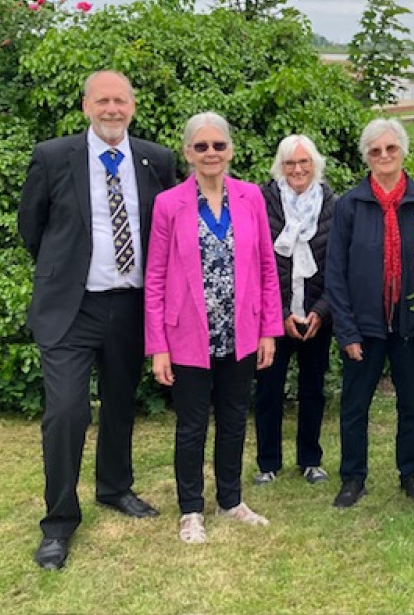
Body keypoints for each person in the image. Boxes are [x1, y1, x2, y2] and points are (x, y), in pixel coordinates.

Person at [18, 70, 177, 571]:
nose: (112, 109)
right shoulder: (52, 157)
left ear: (133, 107)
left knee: (120, 406)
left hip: (129, 307)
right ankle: (59, 523)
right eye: (102, 100)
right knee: (66, 411)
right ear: (86, 105)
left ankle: (114, 488)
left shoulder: (157, 160)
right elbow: (32, 229)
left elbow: (167, 231)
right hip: (72, 307)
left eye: (120, 101)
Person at [144, 112, 283, 543]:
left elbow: (265, 265)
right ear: (188, 152)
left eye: (218, 146)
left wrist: (268, 330)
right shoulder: (169, 204)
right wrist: (158, 347)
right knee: (191, 426)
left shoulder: (251, 198)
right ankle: (190, 510)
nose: (210, 153)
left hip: (239, 332)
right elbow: (155, 278)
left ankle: (230, 500)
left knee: (234, 420)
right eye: (201, 146)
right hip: (186, 335)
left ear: (230, 151)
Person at [326, 118, 414, 509]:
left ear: (403, 151)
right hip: (365, 327)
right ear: (366, 157)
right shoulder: (351, 204)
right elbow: (335, 272)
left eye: (391, 148)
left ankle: (412, 474)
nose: (384, 156)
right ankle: (353, 477)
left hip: (411, 326)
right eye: (376, 151)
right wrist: (347, 331)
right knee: (355, 407)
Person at [253, 135, 337, 487]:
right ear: (280, 167)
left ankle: (310, 459)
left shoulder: (334, 204)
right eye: (290, 163)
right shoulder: (263, 201)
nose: (298, 169)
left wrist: (320, 310)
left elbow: (339, 264)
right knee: (268, 389)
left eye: (304, 162)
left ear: (315, 164)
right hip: (276, 314)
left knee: (313, 389)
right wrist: (282, 311)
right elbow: (258, 259)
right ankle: (267, 462)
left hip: (319, 312)